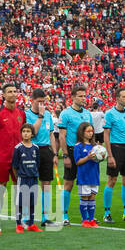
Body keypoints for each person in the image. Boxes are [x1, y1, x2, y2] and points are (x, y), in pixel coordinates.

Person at [56, 85, 93, 226]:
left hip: (86, 151)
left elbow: (90, 134)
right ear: (72, 97)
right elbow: (62, 136)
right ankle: (64, 215)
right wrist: (65, 155)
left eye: (84, 96)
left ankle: (89, 217)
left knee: (86, 184)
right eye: (80, 96)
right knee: (69, 183)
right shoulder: (65, 114)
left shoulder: (88, 114)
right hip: (72, 151)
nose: (83, 98)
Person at [101, 89, 125, 223]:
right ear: (117, 98)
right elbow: (106, 135)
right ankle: (107, 213)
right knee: (112, 180)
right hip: (116, 149)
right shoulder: (110, 114)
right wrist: (110, 155)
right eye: (124, 96)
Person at [26, 89, 57, 224]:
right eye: (39, 101)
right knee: (31, 183)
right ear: (32, 100)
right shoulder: (27, 115)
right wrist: (40, 116)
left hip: (46, 150)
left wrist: (55, 153)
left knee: (46, 183)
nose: (41, 104)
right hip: (31, 149)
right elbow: (32, 133)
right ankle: (28, 216)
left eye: (43, 101)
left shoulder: (48, 114)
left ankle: (45, 217)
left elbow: (51, 135)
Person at [11, 124, 41, 233]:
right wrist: (19, 176)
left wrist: (34, 173)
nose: (26, 133)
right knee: (21, 201)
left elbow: (37, 163)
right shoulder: (18, 148)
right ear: (21, 133)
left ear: (32, 134)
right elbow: (14, 166)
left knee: (32, 201)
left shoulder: (36, 148)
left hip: (33, 178)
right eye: (24, 131)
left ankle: (31, 224)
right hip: (23, 178)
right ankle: (18, 224)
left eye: (28, 131)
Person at [72, 123, 102, 227]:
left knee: (92, 198)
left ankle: (91, 219)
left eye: (91, 131)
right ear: (82, 132)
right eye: (88, 131)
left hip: (94, 175)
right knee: (85, 197)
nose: (90, 133)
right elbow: (77, 162)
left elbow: (98, 159)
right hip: (84, 176)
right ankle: (84, 220)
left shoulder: (95, 146)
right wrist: (88, 157)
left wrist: (101, 155)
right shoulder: (78, 146)